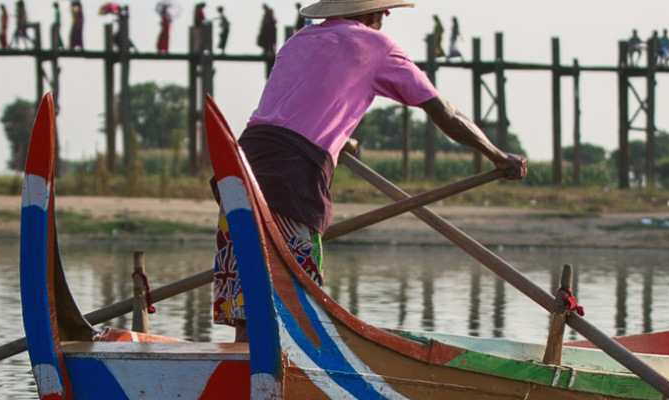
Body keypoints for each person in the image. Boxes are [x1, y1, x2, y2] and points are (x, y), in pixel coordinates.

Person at [215, 0, 526, 333]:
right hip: (291, 175)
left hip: (241, 164)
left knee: (249, 298)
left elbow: (293, 109)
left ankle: (245, 370)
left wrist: (337, 138)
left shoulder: (299, 40)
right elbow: (444, 114)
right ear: (368, 12)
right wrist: (496, 154)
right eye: (382, 10)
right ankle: (275, 380)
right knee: (293, 308)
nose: (385, 17)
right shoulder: (377, 46)